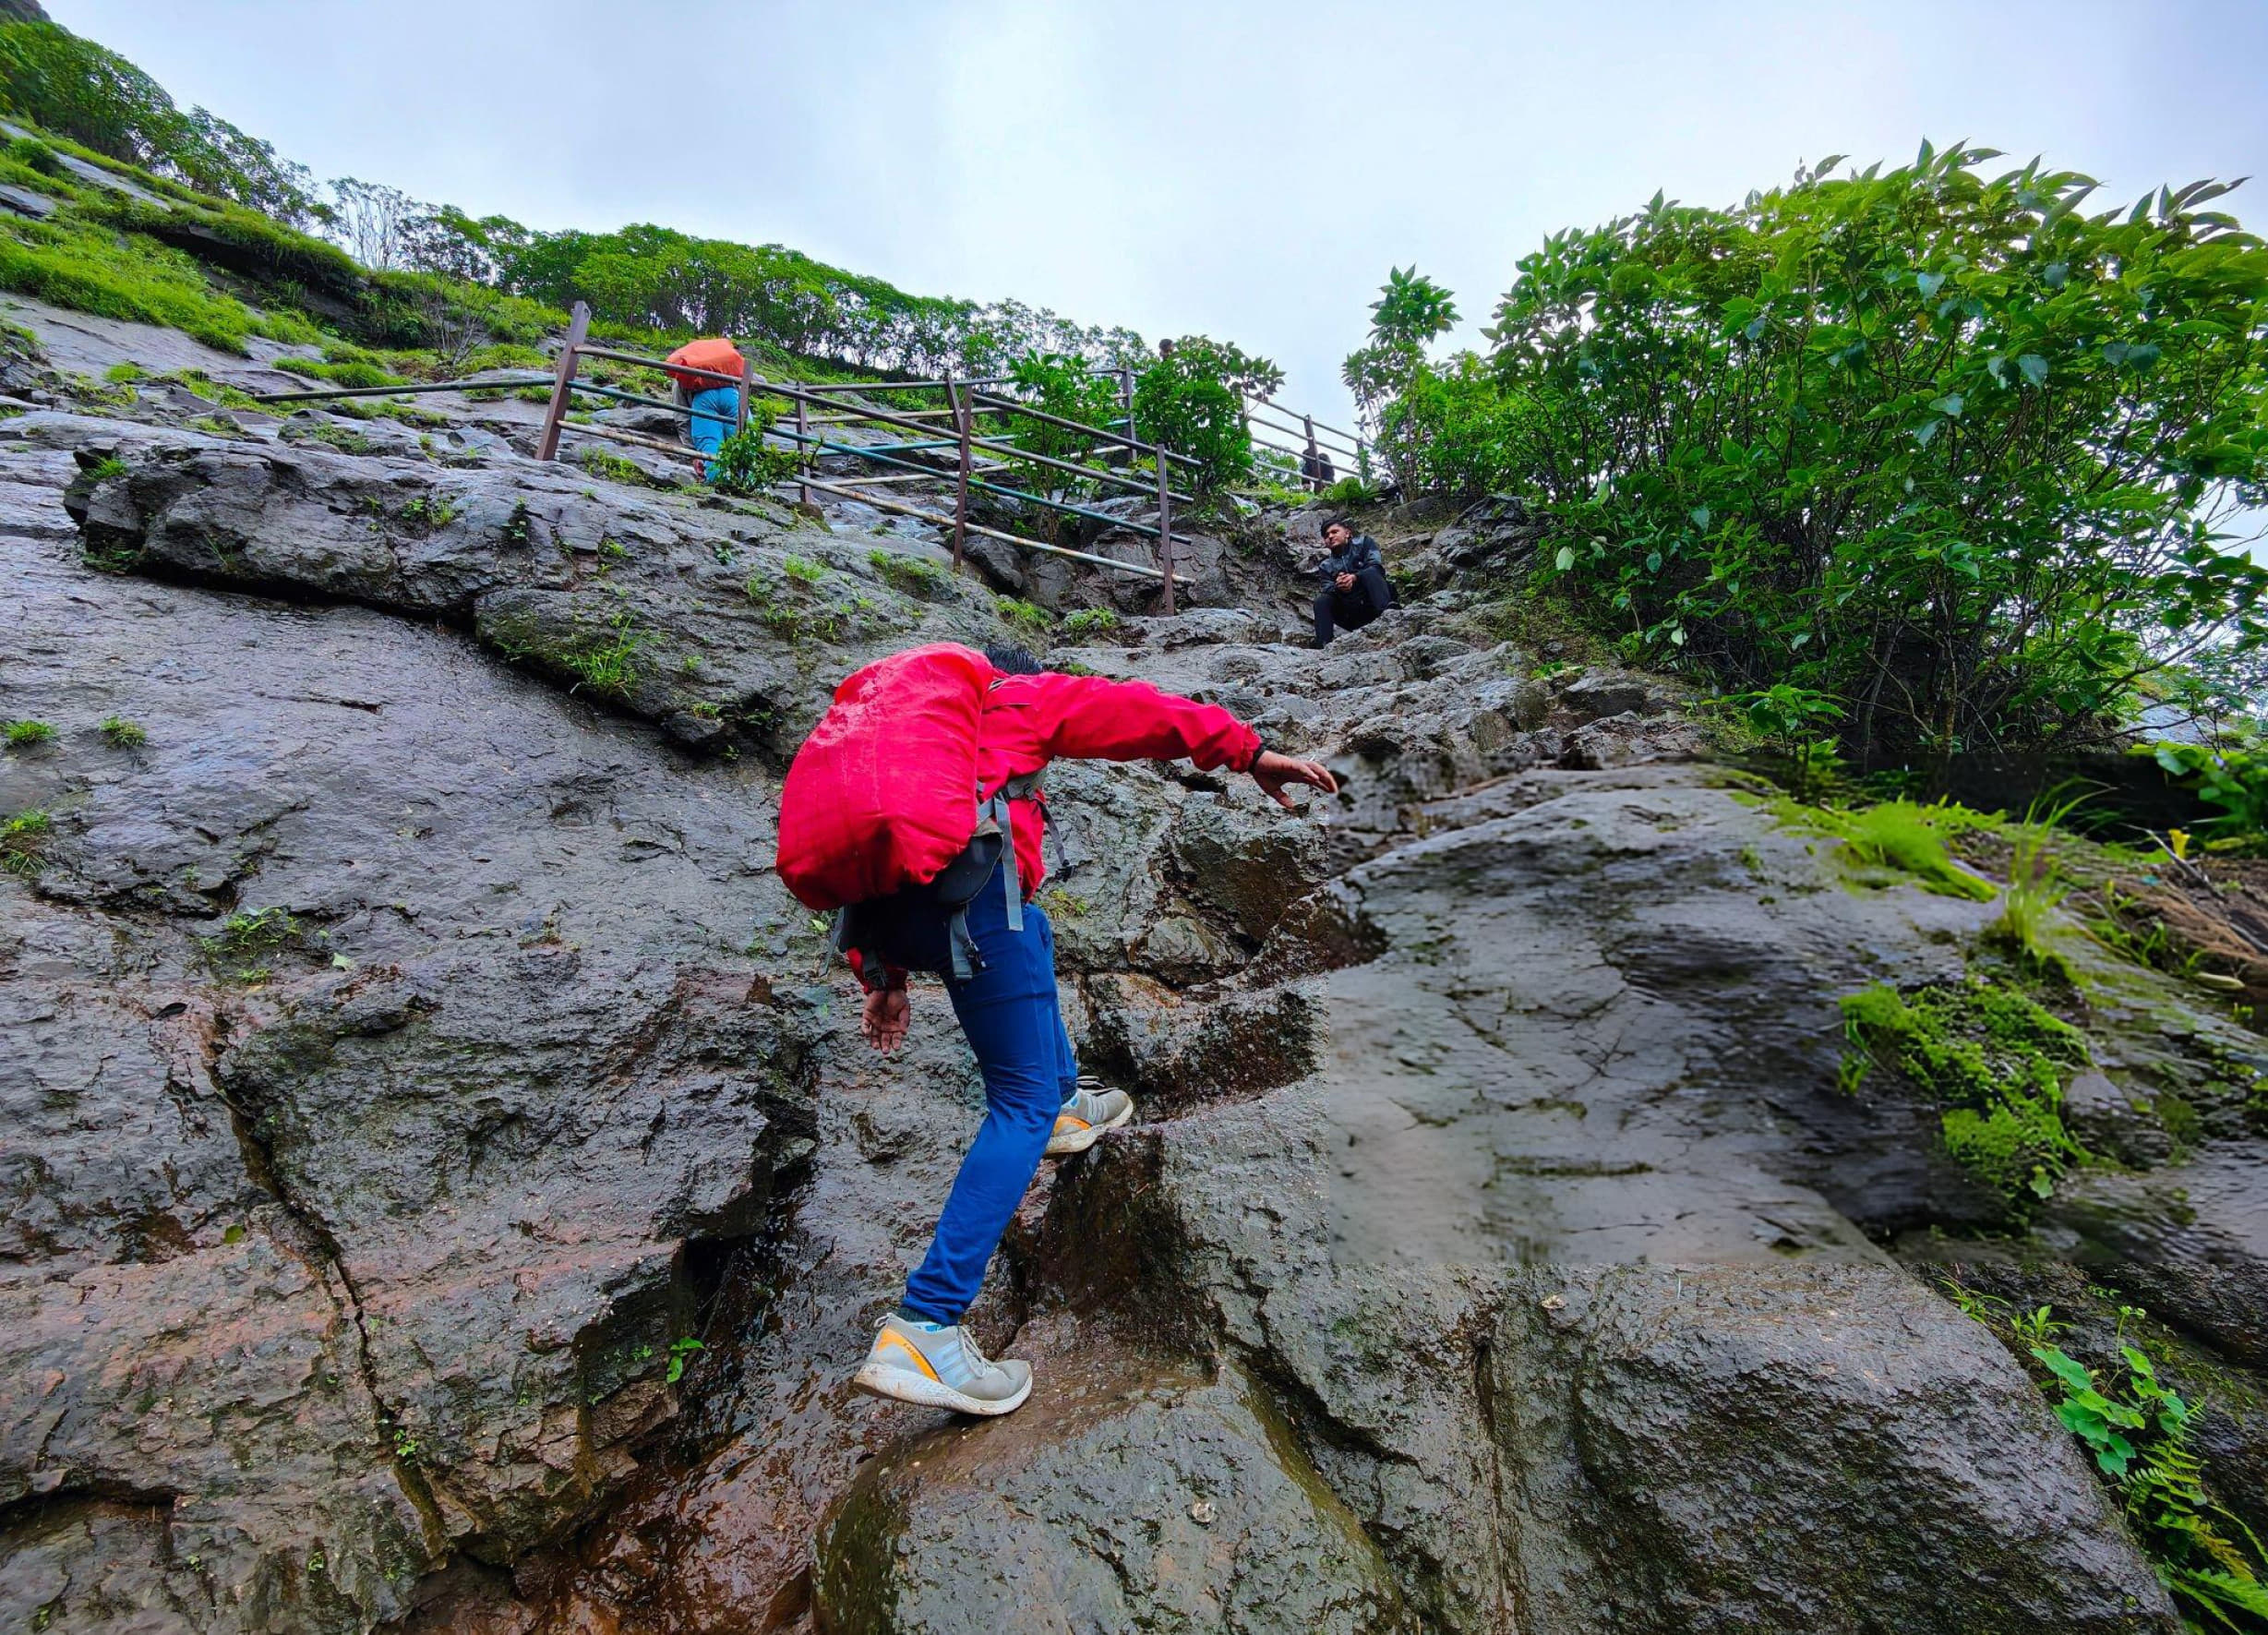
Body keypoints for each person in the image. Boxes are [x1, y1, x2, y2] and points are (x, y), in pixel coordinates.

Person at [834, 646, 1337, 1416]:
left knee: (1028, 930)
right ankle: (925, 1323)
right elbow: (1139, 713)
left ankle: (1069, 1101)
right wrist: (1250, 752)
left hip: (895, 917)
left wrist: (884, 979)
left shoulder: (891, 735)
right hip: (972, 902)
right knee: (1017, 1102)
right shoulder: (1014, 698)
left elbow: (865, 865)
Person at [664, 337, 747, 478]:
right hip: (732, 395)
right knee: (744, 442)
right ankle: (754, 487)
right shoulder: (725, 367)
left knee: (710, 447)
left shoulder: (684, 371)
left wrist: (693, 454)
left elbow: (681, 416)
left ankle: (719, 485)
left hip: (703, 401)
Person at [1312, 518, 1395, 646]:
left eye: (1334, 532)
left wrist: (1355, 577)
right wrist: (1339, 586)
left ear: (1347, 533)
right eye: (1326, 535)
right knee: (1321, 601)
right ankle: (1323, 643)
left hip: (1374, 600)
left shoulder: (1364, 543)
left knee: (1371, 571)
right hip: (1352, 613)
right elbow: (1327, 588)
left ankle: (1389, 615)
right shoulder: (1325, 566)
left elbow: (1376, 565)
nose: (1330, 536)